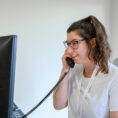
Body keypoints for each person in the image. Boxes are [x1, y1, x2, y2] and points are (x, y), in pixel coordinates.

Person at [53, 15, 118, 118]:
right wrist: (65, 69)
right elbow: (58, 105)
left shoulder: (114, 77)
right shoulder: (74, 70)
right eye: (68, 44)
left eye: (75, 43)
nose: (69, 50)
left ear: (92, 43)